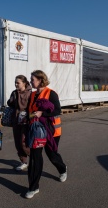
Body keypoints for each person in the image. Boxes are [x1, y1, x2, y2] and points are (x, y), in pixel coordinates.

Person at [25, 70, 67, 199]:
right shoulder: (32, 95)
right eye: (31, 79)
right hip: (36, 130)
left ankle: (62, 169)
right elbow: (30, 110)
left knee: (52, 154)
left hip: (51, 131)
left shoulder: (51, 93)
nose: (31, 81)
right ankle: (33, 187)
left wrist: (42, 113)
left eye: (33, 79)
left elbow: (58, 110)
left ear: (40, 80)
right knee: (34, 158)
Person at [7, 75, 31, 171]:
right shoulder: (14, 93)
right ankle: (24, 162)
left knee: (24, 142)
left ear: (24, 83)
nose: (16, 84)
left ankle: (33, 157)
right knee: (18, 142)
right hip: (16, 120)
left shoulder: (30, 93)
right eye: (15, 82)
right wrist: (12, 99)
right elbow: (10, 104)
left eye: (18, 83)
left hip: (26, 121)